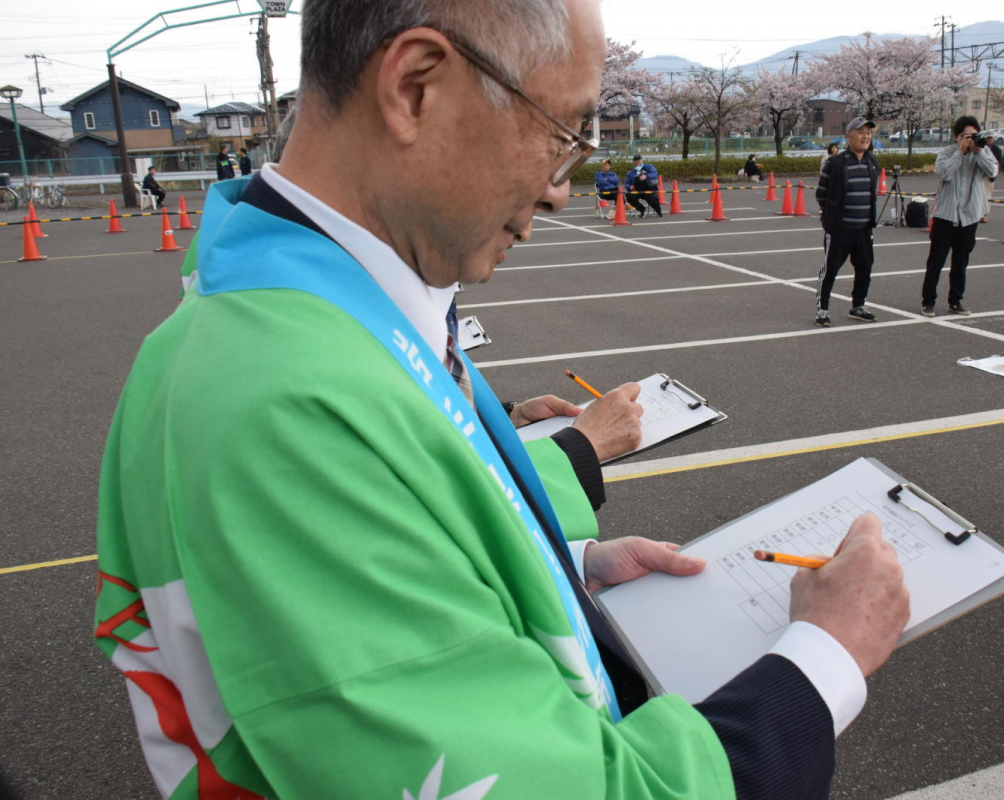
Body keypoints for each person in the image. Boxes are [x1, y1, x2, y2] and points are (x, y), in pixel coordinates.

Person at [93, 3, 909, 799]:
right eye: (562, 138)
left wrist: (559, 564)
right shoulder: (287, 406)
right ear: (416, 86)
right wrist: (826, 653)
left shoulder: (326, 318)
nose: (560, 191)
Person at [920, 115, 997, 317]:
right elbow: (943, 173)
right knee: (936, 261)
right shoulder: (946, 152)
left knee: (961, 262)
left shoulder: (982, 152)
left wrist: (978, 151)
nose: (969, 139)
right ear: (956, 136)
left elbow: (992, 171)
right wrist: (960, 153)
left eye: (973, 135)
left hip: (969, 216)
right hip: (945, 215)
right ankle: (928, 301)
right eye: (965, 136)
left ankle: (956, 300)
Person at [813, 117, 880, 327]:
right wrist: (832, 218)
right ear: (848, 136)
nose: (865, 136)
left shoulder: (872, 163)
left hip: (863, 228)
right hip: (840, 229)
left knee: (865, 268)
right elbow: (821, 194)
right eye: (860, 132)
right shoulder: (836, 163)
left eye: (868, 132)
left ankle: (858, 306)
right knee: (830, 269)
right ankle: (822, 309)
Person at [982, 134, 1001, 221]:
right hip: (979, 175)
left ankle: (984, 215)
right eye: (987, 138)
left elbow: (996, 163)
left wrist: (993, 175)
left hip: (988, 175)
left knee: (987, 195)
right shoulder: (981, 147)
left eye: (990, 138)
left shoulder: (995, 149)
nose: (989, 140)